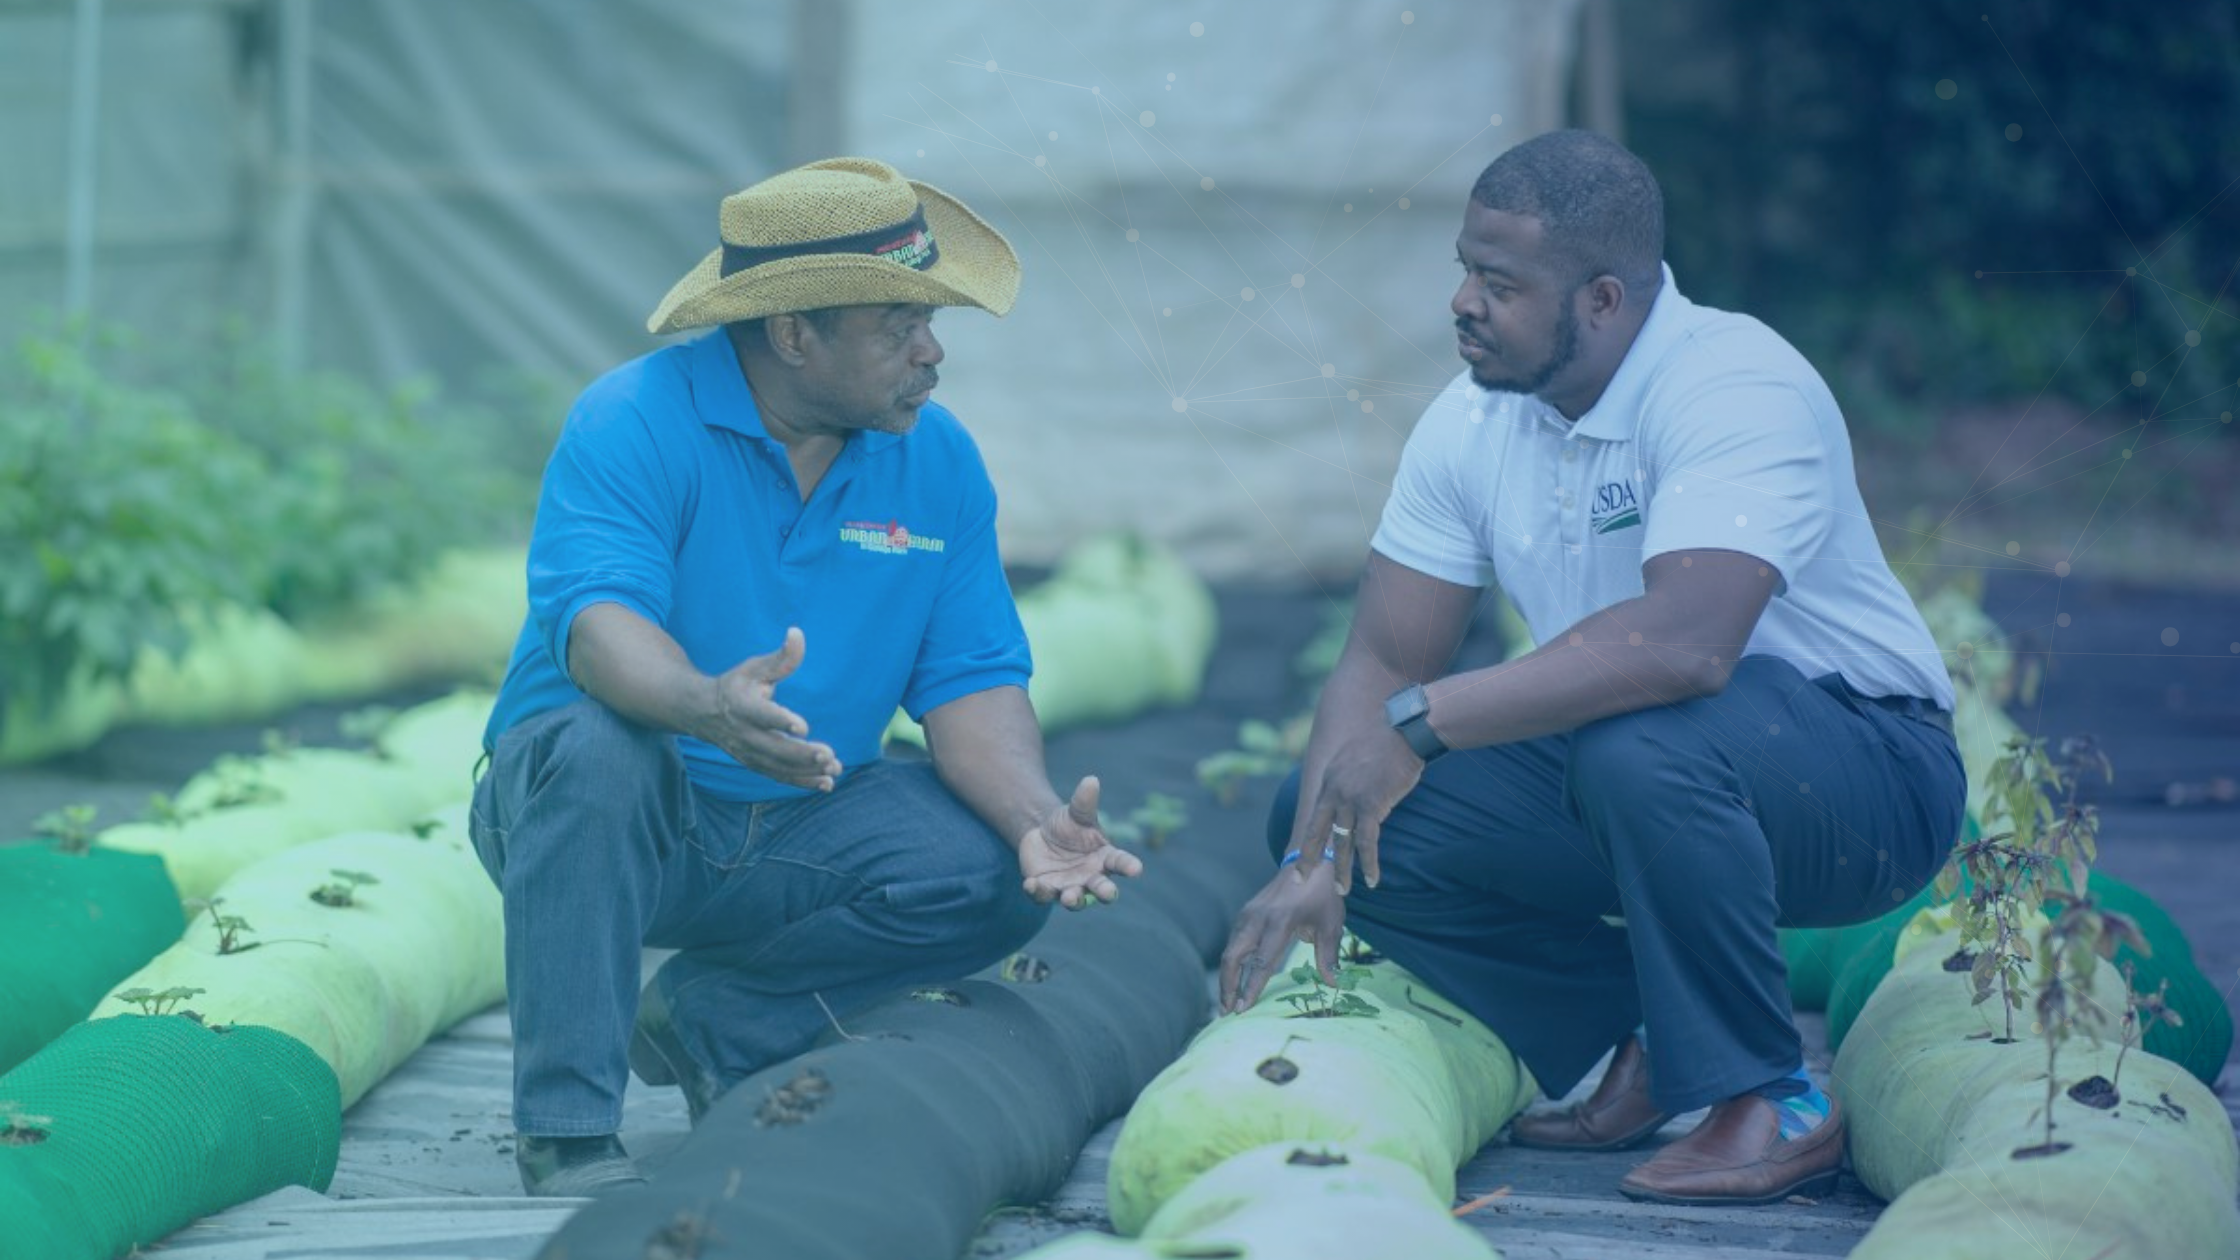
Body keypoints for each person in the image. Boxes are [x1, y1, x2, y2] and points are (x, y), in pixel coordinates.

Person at [1217, 130, 1965, 1207]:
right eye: (1463, 270)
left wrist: (1422, 722)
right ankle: (1665, 1030)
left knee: (1638, 737)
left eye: (1499, 282)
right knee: (1334, 810)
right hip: (1644, 767)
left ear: (1604, 300)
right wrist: (1309, 855)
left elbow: (1685, 644)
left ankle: (1773, 1096)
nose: (1462, 303)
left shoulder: (1731, 383)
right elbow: (1383, 651)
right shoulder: (1471, 420)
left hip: (1867, 780)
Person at [469, 157, 1142, 1197]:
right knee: (594, 751)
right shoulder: (633, 420)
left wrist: (1033, 821)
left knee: (984, 863)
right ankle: (566, 1129)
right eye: (896, 326)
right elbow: (599, 628)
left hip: (803, 820)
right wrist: (704, 705)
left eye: (931, 321)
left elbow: (969, 678)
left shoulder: (935, 460)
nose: (931, 352)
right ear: (792, 333)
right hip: (621, 822)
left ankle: (716, 1020)